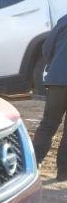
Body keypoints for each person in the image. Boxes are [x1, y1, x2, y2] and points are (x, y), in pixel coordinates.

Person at [33, 14, 67, 181]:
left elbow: (47, 48)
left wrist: (56, 65)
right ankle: (64, 172)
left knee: (48, 125)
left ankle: (32, 165)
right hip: (58, 79)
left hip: (57, 81)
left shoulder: (64, 20)